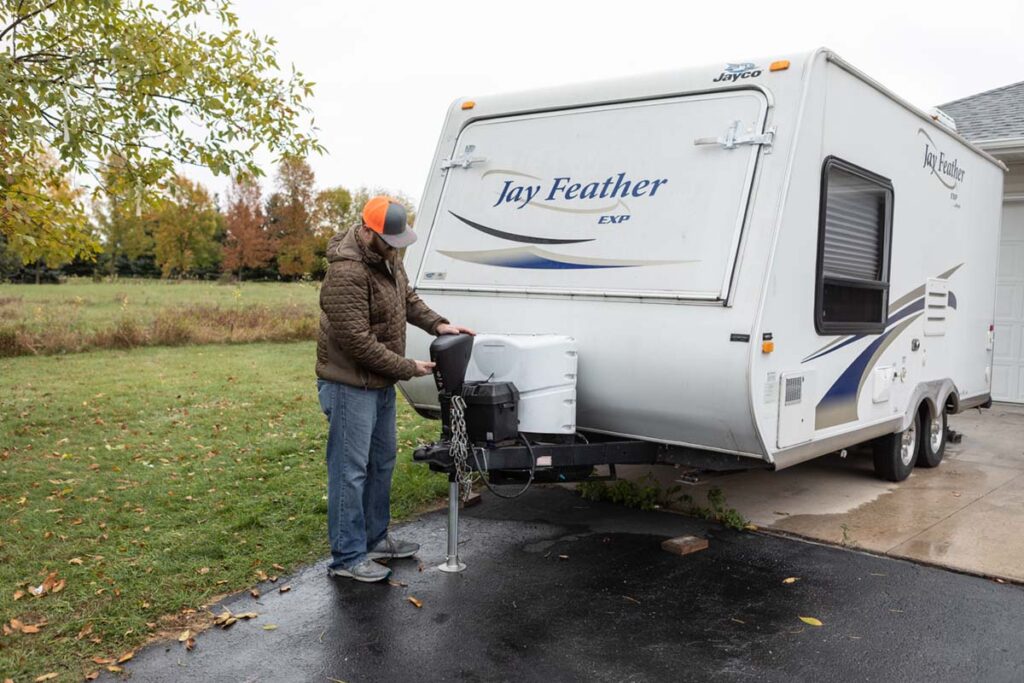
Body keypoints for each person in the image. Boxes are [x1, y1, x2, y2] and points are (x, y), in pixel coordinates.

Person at [316, 196, 473, 582]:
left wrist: (438, 324)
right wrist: (407, 368)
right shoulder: (347, 272)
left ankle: (374, 539)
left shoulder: (388, 259)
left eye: (400, 242)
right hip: (349, 384)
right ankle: (347, 558)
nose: (397, 248)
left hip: (379, 383)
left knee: (381, 463)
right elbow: (356, 341)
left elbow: (407, 299)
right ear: (367, 232)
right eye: (390, 241)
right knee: (349, 471)